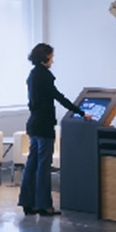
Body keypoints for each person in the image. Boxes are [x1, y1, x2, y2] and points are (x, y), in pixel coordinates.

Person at [19, 43, 80, 217]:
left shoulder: (32, 75)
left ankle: (28, 204)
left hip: (33, 124)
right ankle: (45, 206)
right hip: (44, 125)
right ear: (45, 56)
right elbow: (58, 97)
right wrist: (80, 111)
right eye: (51, 56)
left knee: (32, 164)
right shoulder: (45, 75)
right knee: (44, 166)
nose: (52, 59)